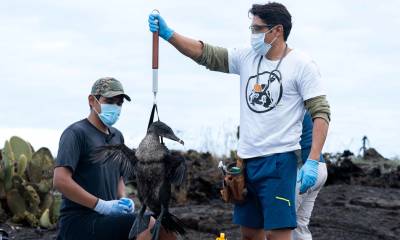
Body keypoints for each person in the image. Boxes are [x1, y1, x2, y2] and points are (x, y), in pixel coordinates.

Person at [148, 2, 330, 240]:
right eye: (251, 28)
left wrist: (313, 160)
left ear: (277, 31)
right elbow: (207, 54)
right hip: (246, 163)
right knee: (249, 234)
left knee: (278, 235)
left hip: (280, 161)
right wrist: (170, 35)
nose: (252, 34)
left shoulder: (302, 65)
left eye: (257, 28)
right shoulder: (247, 56)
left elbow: (321, 112)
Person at [53, 77, 175, 240]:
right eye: (110, 100)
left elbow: (118, 178)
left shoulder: (117, 137)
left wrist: (123, 200)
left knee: (167, 226)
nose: (115, 107)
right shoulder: (75, 133)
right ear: (92, 100)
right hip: (79, 222)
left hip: (106, 220)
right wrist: (101, 205)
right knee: (146, 225)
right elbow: (60, 181)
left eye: (119, 103)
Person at [294, 112, 328, 240]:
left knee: (278, 226)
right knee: (299, 226)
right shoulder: (306, 106)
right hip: (319, 166)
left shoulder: (289, 105)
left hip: (301, 169)